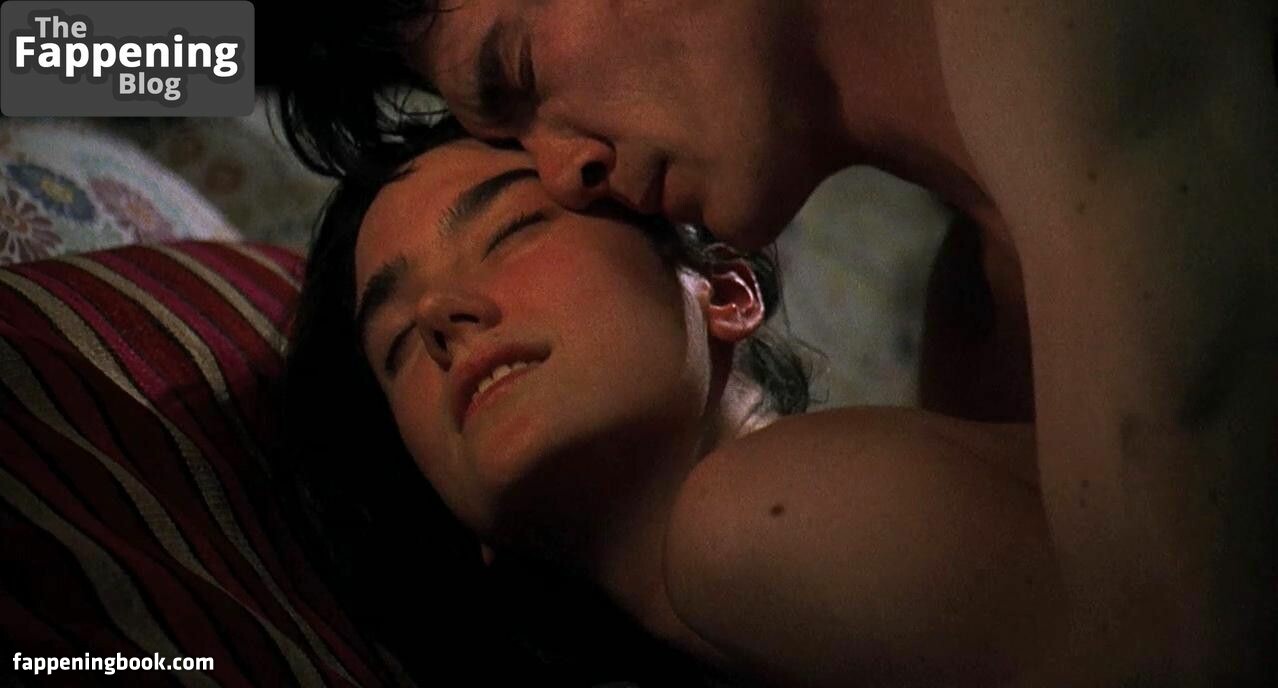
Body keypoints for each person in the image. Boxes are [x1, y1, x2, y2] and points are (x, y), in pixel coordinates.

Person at [277, 4, 1277, 681]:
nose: (565, 169)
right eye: (396, 344)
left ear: (725, 292)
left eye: (517, 72)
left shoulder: (1064, 36)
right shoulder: (974, 316)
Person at [274, 122, 1066, 686]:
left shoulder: (753, 514)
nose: (440, 315)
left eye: (510, 232)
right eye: (398, 345)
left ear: (723, 289)